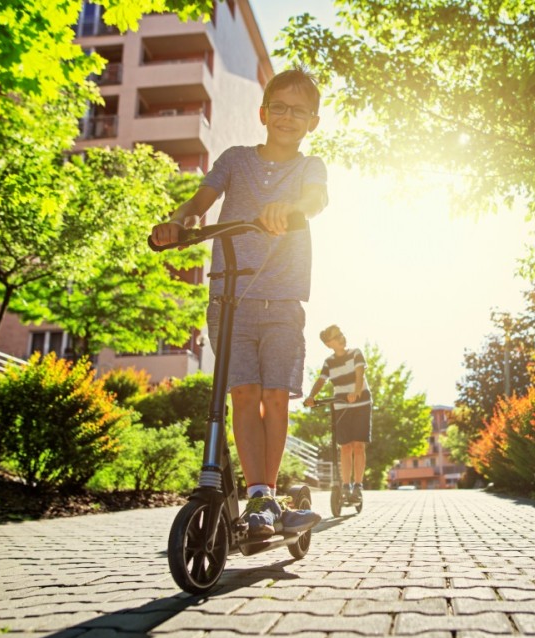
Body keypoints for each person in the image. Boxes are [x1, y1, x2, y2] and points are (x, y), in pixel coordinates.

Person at [150, 68, 327, 540]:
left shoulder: (310, 167)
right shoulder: (235, 160)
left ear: (313, 121)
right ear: (263, 112)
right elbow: (198, 201)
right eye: (280, 107)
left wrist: (290, 210)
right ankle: (258, 495)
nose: (288, 116)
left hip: (284, 299)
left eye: (299, 110)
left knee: (274, 396)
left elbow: (315, 199)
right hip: (230, 298)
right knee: (243, 396)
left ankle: (264, 497)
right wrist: (177, 220)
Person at [303, 325, 372, 502]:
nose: (342, 338)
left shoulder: (355, 353)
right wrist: (312, 396)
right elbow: (321, 380)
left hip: (361, 403)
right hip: (341, 406)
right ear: (329, 344)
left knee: (358, 445)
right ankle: (346, 485)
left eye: (341, 334)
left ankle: (358, 486)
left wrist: (356, 391)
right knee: (345, 446)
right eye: (336, 336)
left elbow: (359, 373)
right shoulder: (329, 362)